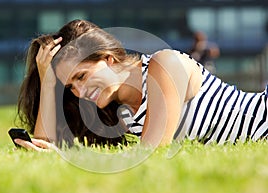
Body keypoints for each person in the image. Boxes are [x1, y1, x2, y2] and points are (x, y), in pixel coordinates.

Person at [15, 19, 268, 151]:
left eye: (81, 76)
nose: (80, 93)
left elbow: (151, 152)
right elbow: (42, 147)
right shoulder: (118, 112)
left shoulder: (164, 65)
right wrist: (48, 82)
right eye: (70, 87)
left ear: (107, 58)